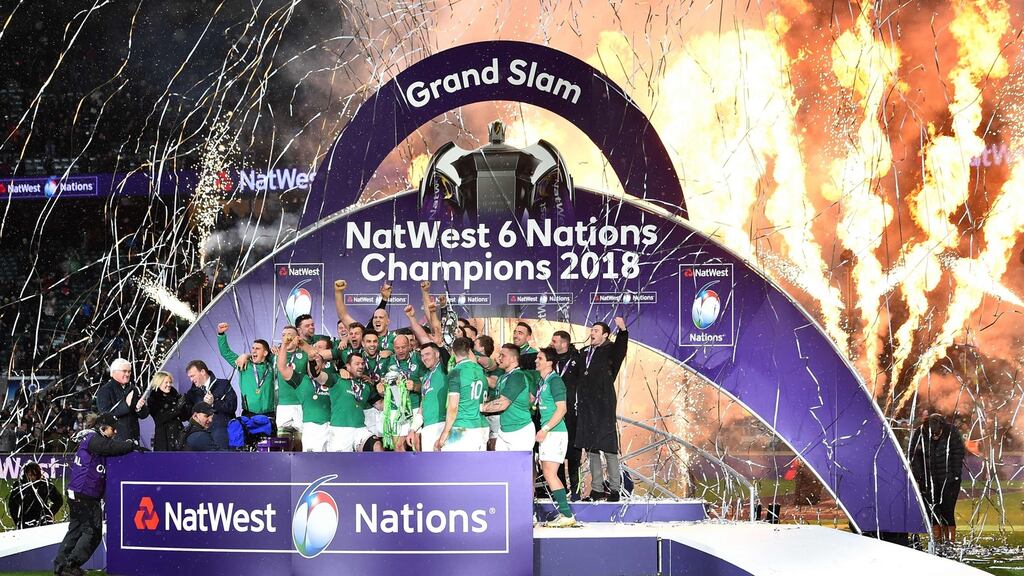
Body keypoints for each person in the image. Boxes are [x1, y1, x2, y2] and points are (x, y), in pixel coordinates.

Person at [54, 413, 142, 576]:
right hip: (84, 494)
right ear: (102, 428)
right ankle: (71, 565)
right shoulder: (93, 439)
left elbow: (109, 447)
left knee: (76, 530)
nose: (115, 432)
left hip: (78, 493)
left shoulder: (93, 439)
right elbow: (110, 448)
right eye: (112, 429)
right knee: (93, 531)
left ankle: (61, 564)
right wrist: (130, 445)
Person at [576, 317, 629, 502]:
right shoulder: (583, 353)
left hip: (604, 403)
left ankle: (615, 489)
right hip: (586, 404)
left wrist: (622, 331)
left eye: (596, 330)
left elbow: (621, 349)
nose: (592, 333)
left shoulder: (610, 351)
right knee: (591, 448)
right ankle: (597, 489)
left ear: (606, 335)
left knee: (608, 448)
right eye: (592, 330)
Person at [909, 412, 966, 545]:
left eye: (937, 434)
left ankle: (950, 542)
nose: (934, 437)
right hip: (927, 481)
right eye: (932, 435)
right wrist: (920, 476)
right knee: (932, 512)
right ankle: (937, 542)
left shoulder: (951, 432)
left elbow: (958, 453)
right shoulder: (920, 433)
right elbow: (913, 455)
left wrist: (955, 475)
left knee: (947, 511)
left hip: (950, 481)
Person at [534, 347, 575, 527]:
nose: (537, 361)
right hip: (550, 432)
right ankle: (565, 514)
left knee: (550, 473)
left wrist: (546, 429)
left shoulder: (555, 381)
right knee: (549, 472)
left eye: (540, 358)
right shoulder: (543, 382)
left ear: (550, 362)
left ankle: (567, 515)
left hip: (555, 433)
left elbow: (562, 408)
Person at [277, 332, 333, 452]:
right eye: (311, 362)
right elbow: (282, 368)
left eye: (318, 362)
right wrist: (283, 345)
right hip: (312, 428)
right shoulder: (302, 381)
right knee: (312, 464)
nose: (314, 365)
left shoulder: (332, 380)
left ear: (324, 365)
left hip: (333, 427)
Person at [480, 344, 535, 451]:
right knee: (500, 466)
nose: (499, 358)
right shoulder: (502, 377)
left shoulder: (517, 376)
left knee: (519, 468)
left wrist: (479, 408)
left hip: (520, 431)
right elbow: (496, 400)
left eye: (503, 356)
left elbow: (502, 404)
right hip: (504, 430)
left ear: (513, 358)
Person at [437, 337, 488, 451]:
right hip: (482, 426)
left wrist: (445, 433)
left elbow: (453, 406)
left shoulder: (456, 372)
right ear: (469, 351)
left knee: (457, 467)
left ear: (453, 352)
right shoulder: (480, 370)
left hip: (463, 427)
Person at [217, 322, 276, 418]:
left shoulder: (272, 367)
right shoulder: (244, 364)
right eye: (252, 348)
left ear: (265, 353)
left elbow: (279, 359)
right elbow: (225, 352)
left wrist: (247, 355)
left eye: (257, 348)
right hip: (249, 414)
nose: (253, 350)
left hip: (269, 414)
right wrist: (221, 334)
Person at [377, 333, 425, 451]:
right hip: (395, 408)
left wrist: (415, 387)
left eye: (403, 347)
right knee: (398, 446)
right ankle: (402, 469)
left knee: (416, 444)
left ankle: (418, 469)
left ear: (409, 346)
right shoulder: (388, 362)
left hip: (414, 407)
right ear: (393, 348)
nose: (401, 350)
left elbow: (427, 385)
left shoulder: (418, 359)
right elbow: (384, 387)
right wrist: (380, 390)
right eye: (397, 348)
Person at [325, 353, 380, 452]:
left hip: (360, 429)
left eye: (362, 364)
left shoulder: (366, 386)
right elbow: (317, 376)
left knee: (377, 447)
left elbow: (380, 405)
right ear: (348, 366)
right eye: (357, 364)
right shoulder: (337, 379)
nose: (361, 366)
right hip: (340, 430)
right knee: (340, 465)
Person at [551, 330, 583, 499]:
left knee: (573, 454)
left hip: (573, 412)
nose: (552, 344)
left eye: (555, 341)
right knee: (557, 454)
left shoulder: (578, 359)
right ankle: (561, 491)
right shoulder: (551, 359)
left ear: (564, 343)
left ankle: (576, 491)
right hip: (555, 411)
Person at [183, 360, 238, 449]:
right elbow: (187, 415)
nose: (191, 380)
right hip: (202, 439)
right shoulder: (191, 393)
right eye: (189, 377)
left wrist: (214, 403)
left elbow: (232, 406)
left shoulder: (223, 384)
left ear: (203, 372)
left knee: (224, 461)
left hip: (222, 435)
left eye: (192, 376)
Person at [94, 358, 150, 442]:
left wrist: (139, 408)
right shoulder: (105, 390)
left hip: (133, 438)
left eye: (129, 371)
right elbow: (105, 416)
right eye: (124, 371)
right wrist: (126, 405)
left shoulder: (133, 389)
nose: (127, 374)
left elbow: (144, 415)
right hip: (115, 440)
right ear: (113, 372)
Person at [334, 279, 395, 351]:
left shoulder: (393, 339)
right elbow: (343, 315)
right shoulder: (364, 333)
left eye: (381, 318)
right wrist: (338, 292)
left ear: (387, 321)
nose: (377, 320)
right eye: (375, 318)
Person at [7, 461, 64, 529]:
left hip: (43, 521)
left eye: (35, 475)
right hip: (25, 521)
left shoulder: (45, 484)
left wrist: (49, 514)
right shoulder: (19, 486)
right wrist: (17, 520)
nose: (32, 478)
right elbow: (12, 504)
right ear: (26, 474)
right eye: (30, 475)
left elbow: (58, 500)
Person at [414, 343, 448, 452]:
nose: (424, 358)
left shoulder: (445, 369)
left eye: (427, 354)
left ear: (437, 354)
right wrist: (412, 429)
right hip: (427, 427)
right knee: (429, 466)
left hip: (442, 424)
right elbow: (422, 405)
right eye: (422, 355)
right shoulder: (425, 377)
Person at [147, 371, 185, 451]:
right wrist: (177, 408)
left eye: (170, 382)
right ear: (159, 383)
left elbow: (184, 416)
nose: (169, 385)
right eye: (166, 382)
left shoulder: (175, 396)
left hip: (178, 434)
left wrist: (185, 405)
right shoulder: (153, 399)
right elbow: (159, 419)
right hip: (163, 438)